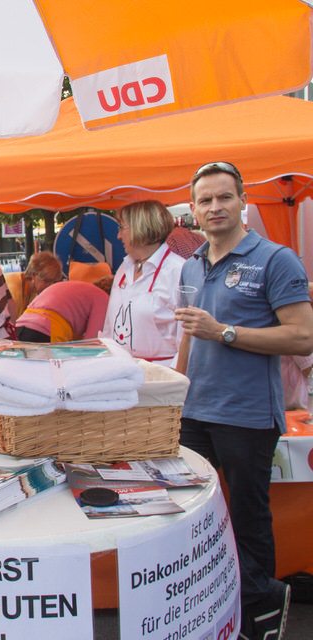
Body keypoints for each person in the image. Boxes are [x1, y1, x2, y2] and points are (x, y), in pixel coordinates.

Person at [175, 161, 313, 640]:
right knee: (191, 511)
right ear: (193, 211)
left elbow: (301, 337)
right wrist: (176, 388)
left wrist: (225, 332)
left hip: (247, 416)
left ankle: (261, 613)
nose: (215, 207)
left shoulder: (276, 260)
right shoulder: (192, 263)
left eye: (224, 197)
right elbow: (190, 336)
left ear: (242, 202)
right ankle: (211, 607)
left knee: (249, 519)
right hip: (194, 413)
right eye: (205, 200)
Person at [101, 200, 186, 364]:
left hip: (160, 377)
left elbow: (187, 339)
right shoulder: (124, 269)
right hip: (122, 372)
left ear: (141, 228)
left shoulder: (178, 271)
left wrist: (173, 378)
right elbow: (109, 326)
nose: (118, 235)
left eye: (122, 228)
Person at [14, 279, 109, 343]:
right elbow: (92, 344)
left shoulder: (83, 289)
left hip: (22, 326)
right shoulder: (104, 298)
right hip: (46, 330)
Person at [4, 251, 65, 319]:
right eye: (46, 281)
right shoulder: (14, 289)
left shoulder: (32, 289)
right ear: (33, 276)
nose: (49, 286)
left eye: (53, 282)